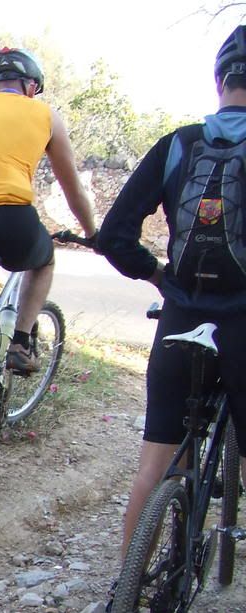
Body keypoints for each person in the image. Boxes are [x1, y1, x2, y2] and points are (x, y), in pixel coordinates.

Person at [96, 25, 246, 558]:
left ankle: (125, 594)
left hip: (181, 315)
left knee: (153, 466)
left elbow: (112, 235)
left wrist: (158, 276)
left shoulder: (179, 143)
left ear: (219, 81)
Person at [0, 48, 97, 391]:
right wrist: (92, 232)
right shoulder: (45, 115)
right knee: (44, 262)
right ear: (30, 86)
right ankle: (21, 342)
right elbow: (73, 190)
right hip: (10, 215)